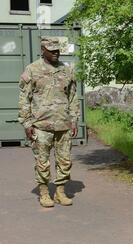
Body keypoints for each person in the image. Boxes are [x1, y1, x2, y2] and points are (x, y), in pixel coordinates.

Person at [18, 37, 80, 207]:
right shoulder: (32, 70)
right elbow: (25, 99)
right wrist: (27, 123)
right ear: (43, 50)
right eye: (52, 50)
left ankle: (60, 192)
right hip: (41, 125)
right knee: (42, 161)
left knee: (65, 160)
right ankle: (44, 193)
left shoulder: (67, 70)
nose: (56, 53)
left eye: (58, 50)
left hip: (63, 124)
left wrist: (74, 120)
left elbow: (73, 97)